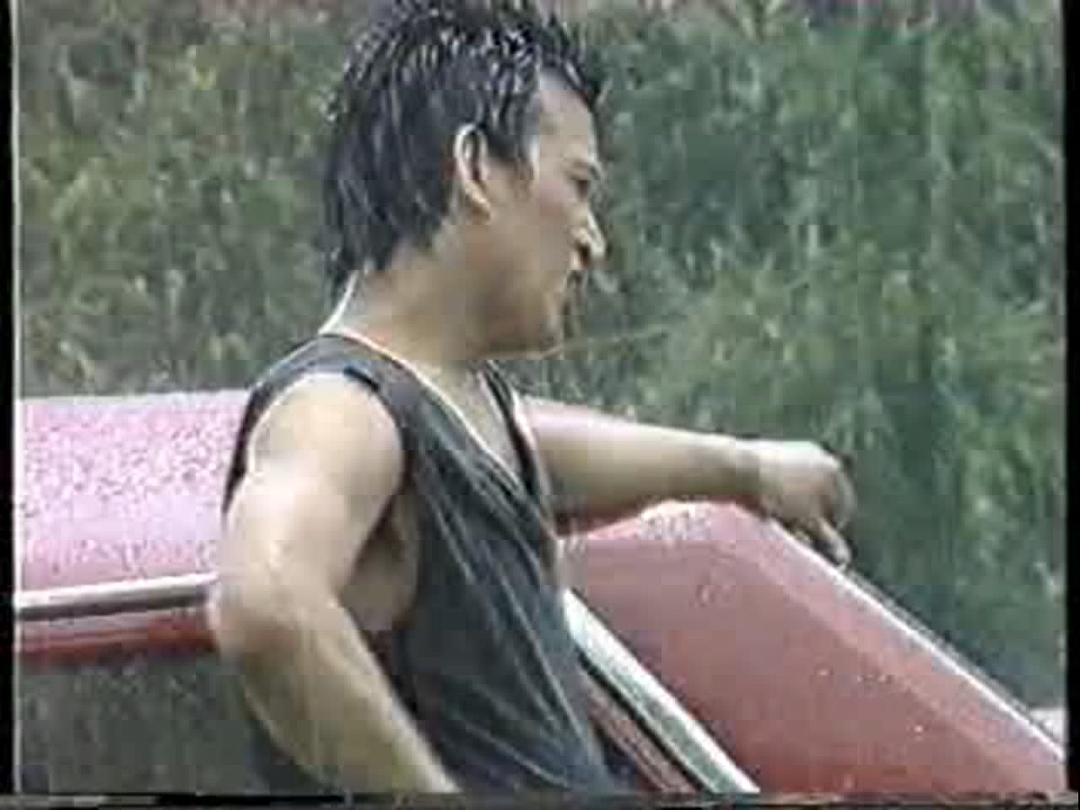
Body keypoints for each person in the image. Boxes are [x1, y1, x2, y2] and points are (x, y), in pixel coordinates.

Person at [209, 0, 855, 794]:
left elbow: (545, 457)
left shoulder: (450, 410)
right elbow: (265, 604)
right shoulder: (337, 409)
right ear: (476, 168)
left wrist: (743, 470)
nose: (592, 238)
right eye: (578, 186)